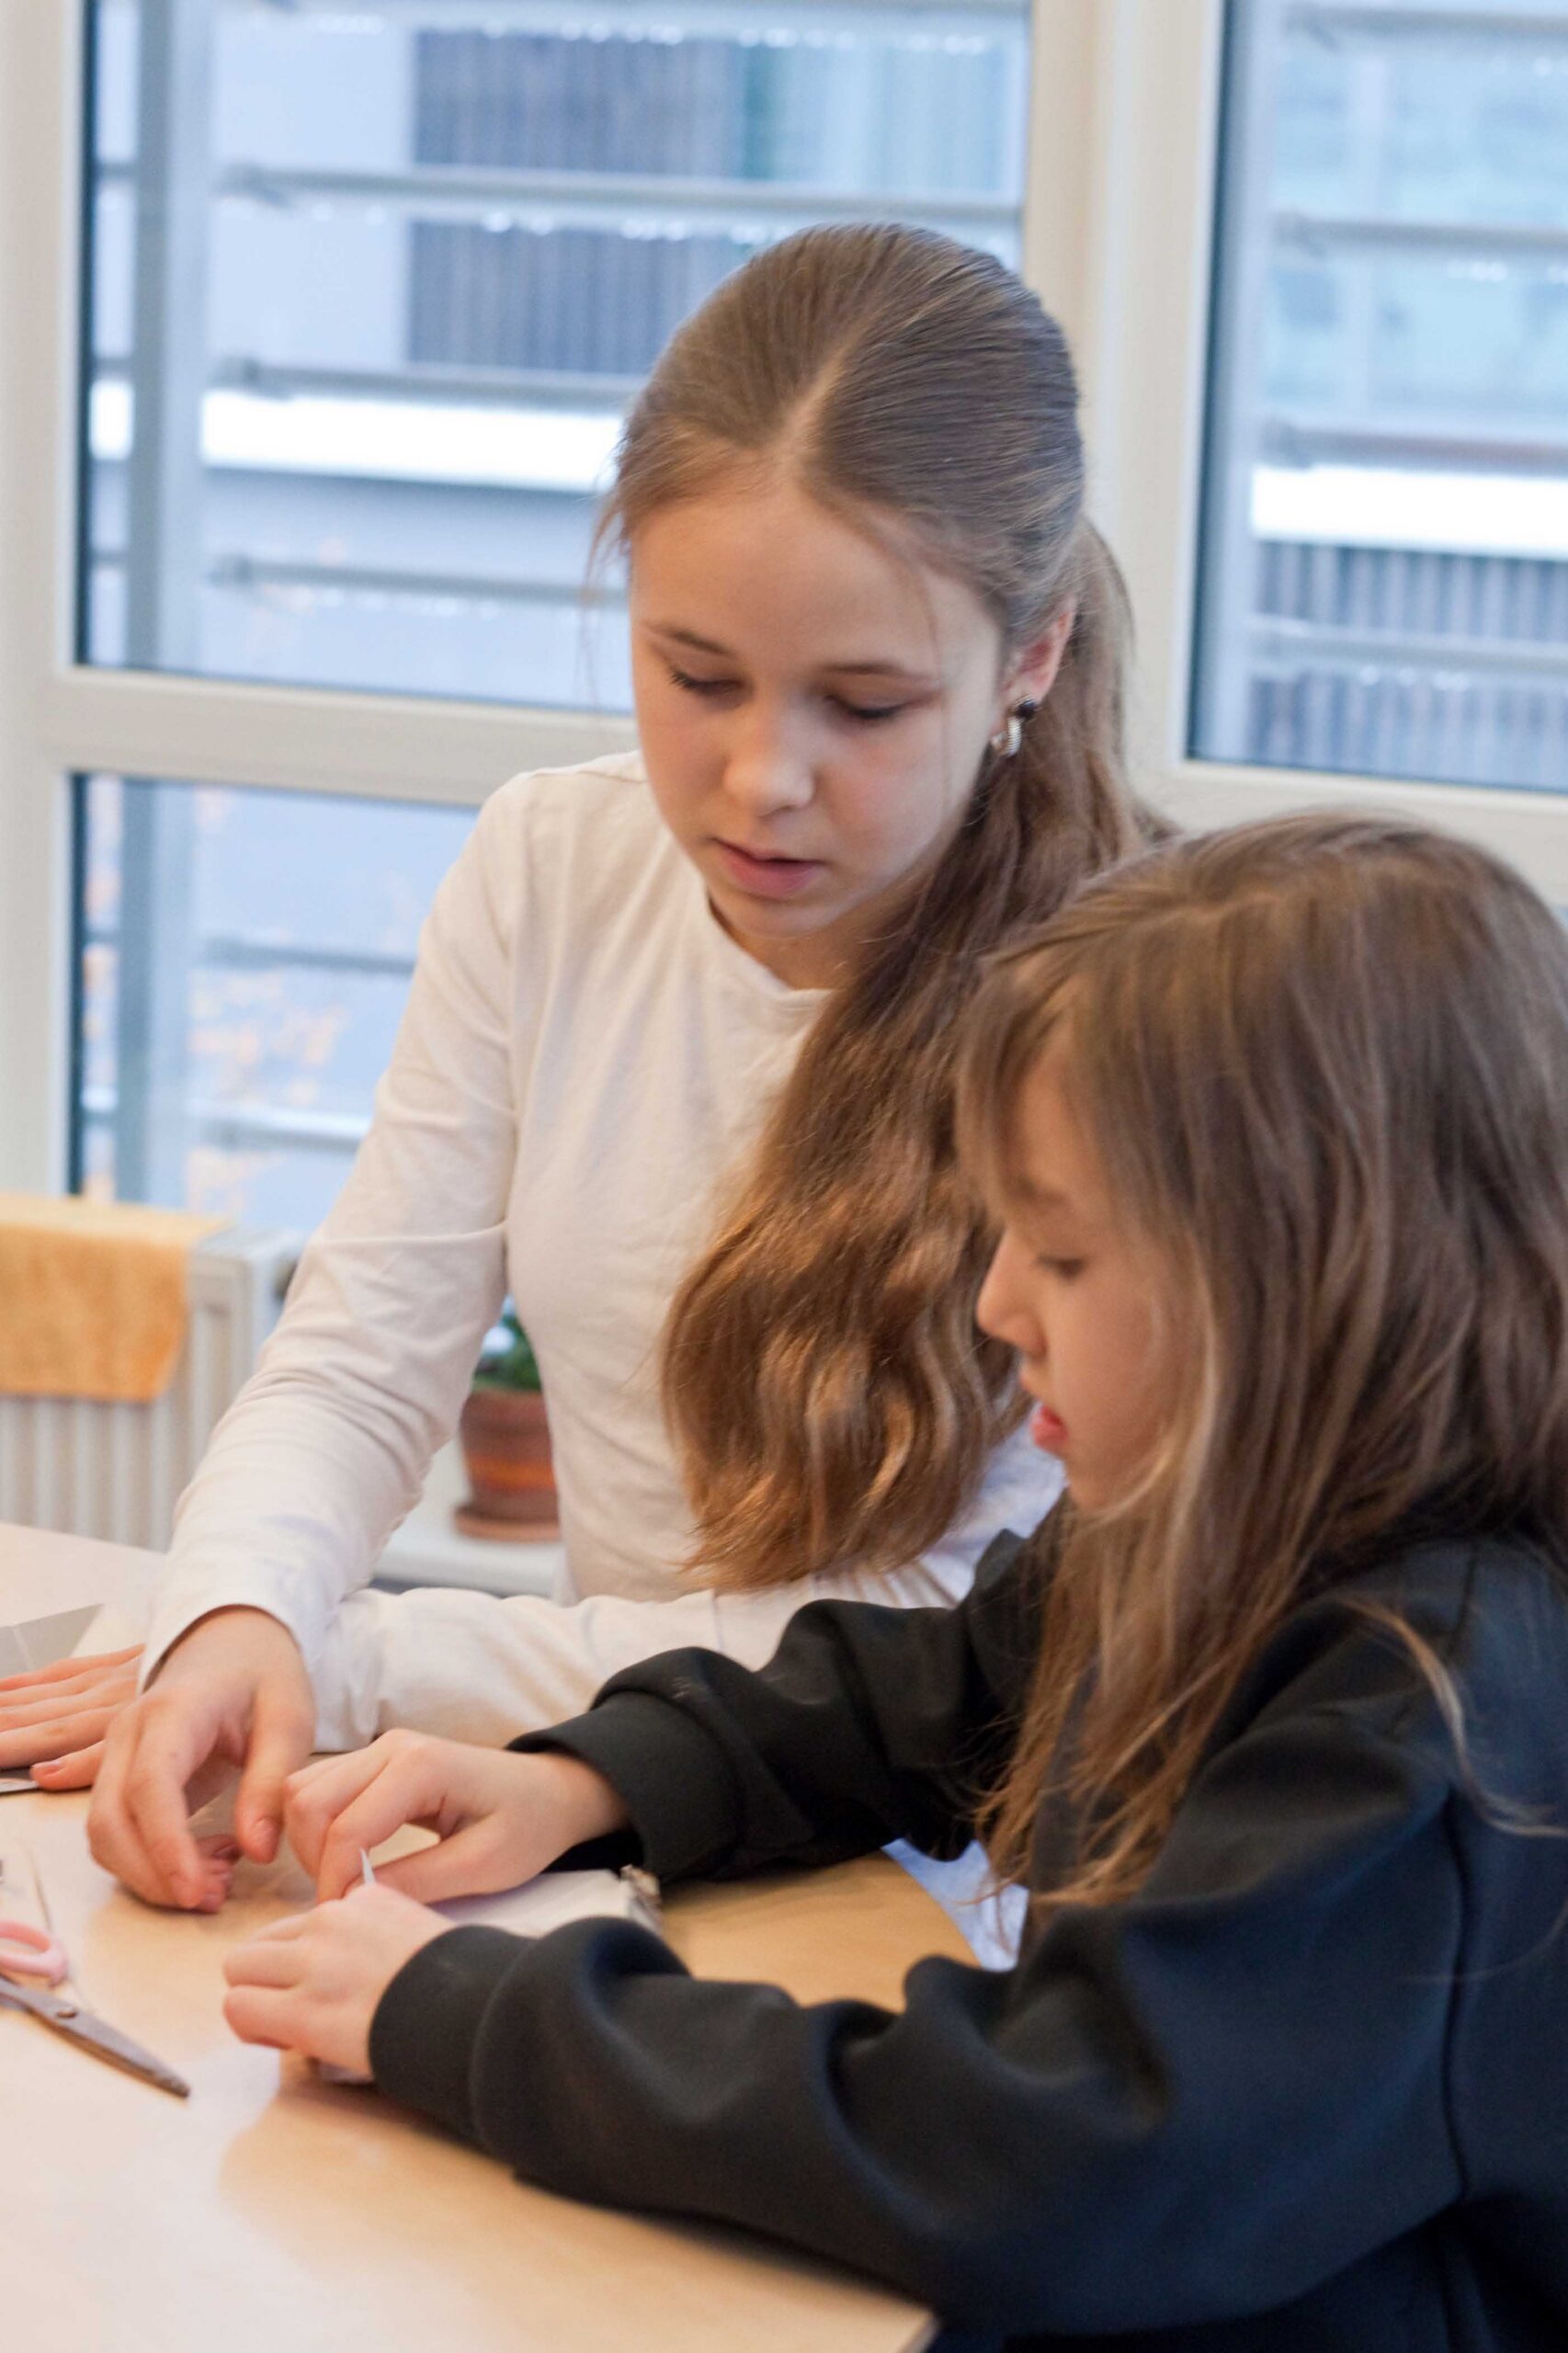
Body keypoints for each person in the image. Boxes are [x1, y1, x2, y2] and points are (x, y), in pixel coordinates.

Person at [225, 813, 1568, 2352]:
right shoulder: (1213, 1510)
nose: (996, 1304)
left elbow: (1061, 2157)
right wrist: (587, 1781)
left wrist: (476, 2014)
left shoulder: (1430, 1712)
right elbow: (927, 1692)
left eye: (1062, 1255)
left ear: (1300, 1287)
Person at [4, 222, 1153, 1912]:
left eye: (863, 706)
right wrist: (239, 1608)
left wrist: (361, 1659)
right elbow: (362, 1359)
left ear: (1029, 657)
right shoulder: (552, 861)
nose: (760, 779)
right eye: (695, 676)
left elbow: (936, 1654)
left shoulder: (1137, 1008)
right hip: (575, 1810)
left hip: (917, 1901)